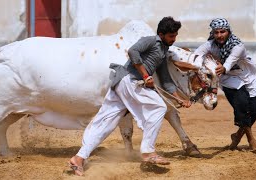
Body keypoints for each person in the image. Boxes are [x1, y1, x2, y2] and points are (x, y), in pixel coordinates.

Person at [68, 16, 191, 176]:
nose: (174, 39)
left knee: (106, 123)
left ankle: (78, 158)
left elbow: (166, 80)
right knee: (159, 107)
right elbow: (133, 51)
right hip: (128, 80)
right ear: (161, 34)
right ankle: (148, 152)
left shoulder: (163, 52)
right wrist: (145, 75)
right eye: (171, 36)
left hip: (122, 84)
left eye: (175, 36)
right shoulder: (150, 41)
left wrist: (178, 98)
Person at [194, 18, 256, 152]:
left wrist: (223, 67)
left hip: (248, 76)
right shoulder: (210, 45)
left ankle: (237, 136)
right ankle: (251, 140)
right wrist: (204, 63)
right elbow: (196, 55)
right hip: (229, 79)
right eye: (216, 32)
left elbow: (230, 60)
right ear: (213, 33)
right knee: (242, 105)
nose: (219, 35)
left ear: (228, 31)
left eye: (223, 32)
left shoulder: (238, 46)